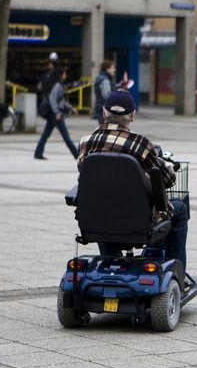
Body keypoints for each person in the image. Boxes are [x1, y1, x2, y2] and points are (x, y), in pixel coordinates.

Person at [77, 91, 189, 267]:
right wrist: (167, 167)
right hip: (138, 219)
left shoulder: (85, 142)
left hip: (96, 218)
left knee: (104, 203)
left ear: (105, 113)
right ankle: (177, 268)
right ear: (132, 115)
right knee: (180, 208)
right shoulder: (140, 144)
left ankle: (111, 258)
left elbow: (85, 173)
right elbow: (166, 180)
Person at [34, 69, 78, 160]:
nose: (66, 75)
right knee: (66, 136)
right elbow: (52, 99)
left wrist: (71, 108)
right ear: (60, 76)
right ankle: (76, 154)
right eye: (64, 74)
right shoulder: (58, 86)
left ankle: (38, 153)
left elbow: (61, 100)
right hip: (56, 115)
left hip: (53, 114)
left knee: (45, 134)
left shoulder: (59, 85)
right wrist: (57, 112)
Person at [93, 60, 129, 124]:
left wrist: (122, 83)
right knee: (107, 130)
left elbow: (113, 87)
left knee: (105, 129)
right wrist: (119, 94)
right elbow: (107, 95)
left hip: (102, 108)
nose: (114, 70)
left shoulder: (103, 78)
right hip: (104, 109)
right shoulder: (104, 80)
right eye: (112, 68)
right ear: (107, 69)